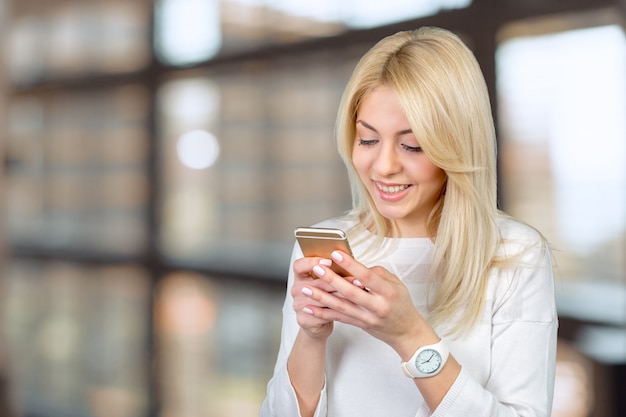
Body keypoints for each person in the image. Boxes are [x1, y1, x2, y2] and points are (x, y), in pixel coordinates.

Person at [260, 26, 557, 417]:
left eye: (412, 145)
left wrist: (411, 336)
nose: (383, 166)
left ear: (456, 144)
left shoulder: (514, 256)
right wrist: (312, 337)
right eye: (367, 140)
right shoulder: (329, 246)